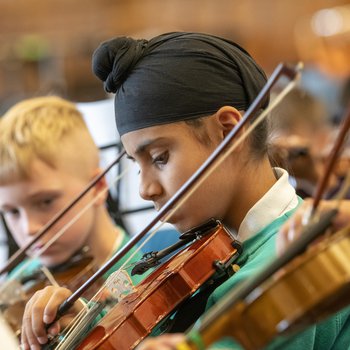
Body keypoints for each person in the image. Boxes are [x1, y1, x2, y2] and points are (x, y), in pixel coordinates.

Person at [21, 32, 350, 350]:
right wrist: (89, 326)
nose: (145, 189)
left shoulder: (288, 272)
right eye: (138, 165)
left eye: (160, 158)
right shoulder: (213, 253)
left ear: (229, 131)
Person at [0, 96, 144, 339]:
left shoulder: (144, 276)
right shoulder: (21, 282)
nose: (29, 228)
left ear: (97, 187)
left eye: (45, 201)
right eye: (12, 212)